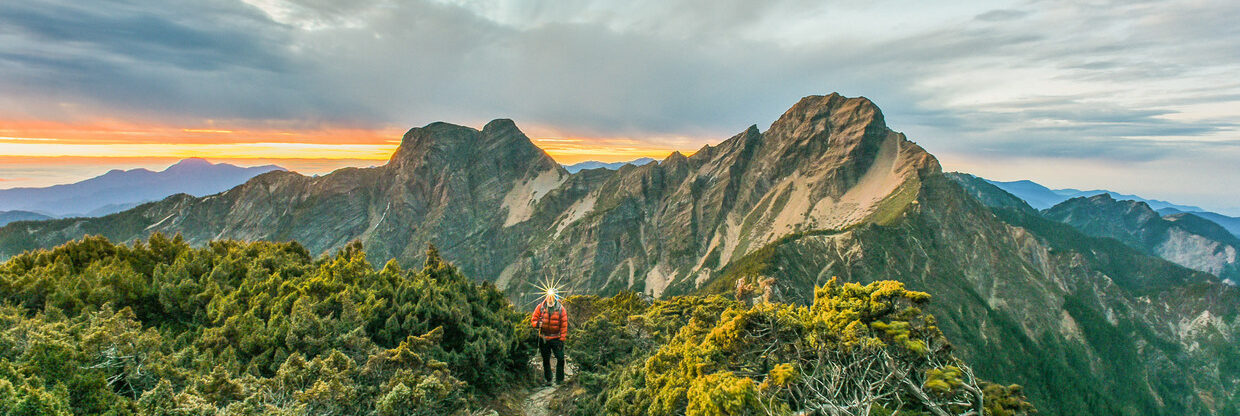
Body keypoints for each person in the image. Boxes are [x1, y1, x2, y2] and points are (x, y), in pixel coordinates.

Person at [530, 293, 568, 385]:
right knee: (546, 359)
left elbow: (564, 325)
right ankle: (549, 379)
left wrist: (562, 339)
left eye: (552, 296)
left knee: (560, 358)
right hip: (544, 337)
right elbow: (534, 319)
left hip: (556, 338)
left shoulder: (560, 309)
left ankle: (559, 379)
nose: (550, 298)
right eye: (549, 296)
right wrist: (537, 324)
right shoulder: (541, 307)